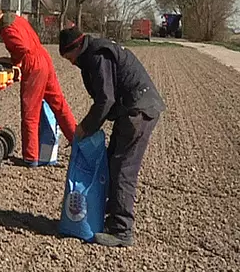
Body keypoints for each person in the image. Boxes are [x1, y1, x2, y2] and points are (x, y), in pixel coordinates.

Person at [58, 27, 166, 247]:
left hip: (138, 111)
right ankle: (104, 218)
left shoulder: (98, 56)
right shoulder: (94, 53)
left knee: (122, 168)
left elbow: (105, 100)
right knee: (111, 161)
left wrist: (86, 128)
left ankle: (121, 230)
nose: (71, 63)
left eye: (70, 57)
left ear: (77, 47)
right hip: (132, 109)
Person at [0, 4, 77, 167]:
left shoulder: (7, 28)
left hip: (33, 65)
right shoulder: (17, 19)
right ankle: (76, 140)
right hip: (44, 59)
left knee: (30, 112)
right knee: (59, 104)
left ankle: (31, 157)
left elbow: (22, 48)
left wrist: (13, 61)